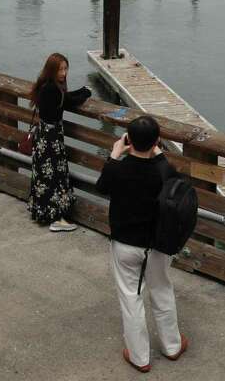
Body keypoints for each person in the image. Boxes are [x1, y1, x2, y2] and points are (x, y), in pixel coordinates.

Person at [96, 115, 188, 372]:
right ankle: (172, 346)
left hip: (125, 244)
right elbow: (174, 179)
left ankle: (140, 357)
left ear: (128, 139)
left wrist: (115, 154)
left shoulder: (118, 169)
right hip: (157, 244)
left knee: (130, 297)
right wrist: (157, 152)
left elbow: (102, 186)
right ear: (157, 141)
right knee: (161, 290)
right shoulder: (162, 171)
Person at [26, 53, 91, 232]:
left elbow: (66, 98)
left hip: (44, 137)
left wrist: (82, 90)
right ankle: (57, 219)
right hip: (51, 139)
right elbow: (70, 102)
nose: (64, 73)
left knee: (44, 176)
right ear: (51, 70)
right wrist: (86, 91)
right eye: (60, 69)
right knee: (56, 176)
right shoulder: (52, 90)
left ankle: (42, 211)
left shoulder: (46, 86)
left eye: (65, 68)